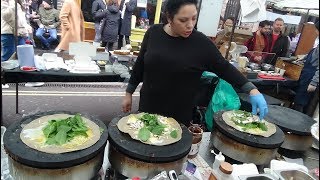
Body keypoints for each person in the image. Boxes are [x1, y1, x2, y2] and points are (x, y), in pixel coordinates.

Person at [121, 0, 268, 126]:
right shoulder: (153, 33)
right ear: (169, 18)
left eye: (194, 18)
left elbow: (224, 68)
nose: (190, 25)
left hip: (179, 115)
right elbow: (140, 64)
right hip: (148, 106)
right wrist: (129, 92)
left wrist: (252, 90)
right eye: (183, 20)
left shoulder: (201, 43)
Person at [293, 21, 319, 113]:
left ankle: (297, 122)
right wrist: (303, 58)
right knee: (298, 99)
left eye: (317, 30)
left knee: (302, 103)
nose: (316, 32)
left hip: (310, 78)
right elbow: (313, 55)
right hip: (306, 76)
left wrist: (314, 83)